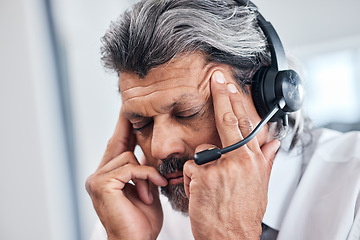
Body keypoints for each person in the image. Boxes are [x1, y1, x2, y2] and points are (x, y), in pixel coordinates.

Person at [85, 0, 360, 239]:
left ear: (270, 97)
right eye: (141, 125)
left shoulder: (353, 191)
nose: (159, 148)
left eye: (188, 113)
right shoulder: (133, 216)